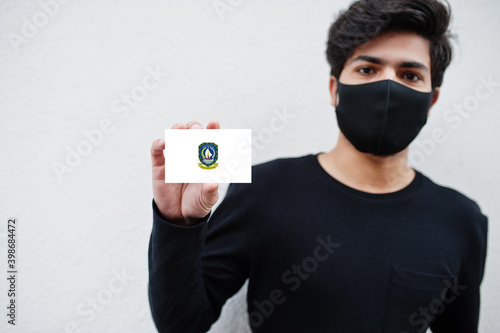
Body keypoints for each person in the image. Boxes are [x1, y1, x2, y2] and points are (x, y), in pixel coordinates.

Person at [148, 0, 488, 332]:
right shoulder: (263, 189)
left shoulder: (461, 220)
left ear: (432, 100)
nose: (388, 88)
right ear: (334, 89)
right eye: (367, 69)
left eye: (410, 74)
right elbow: (181, 323)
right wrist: (178, 224)